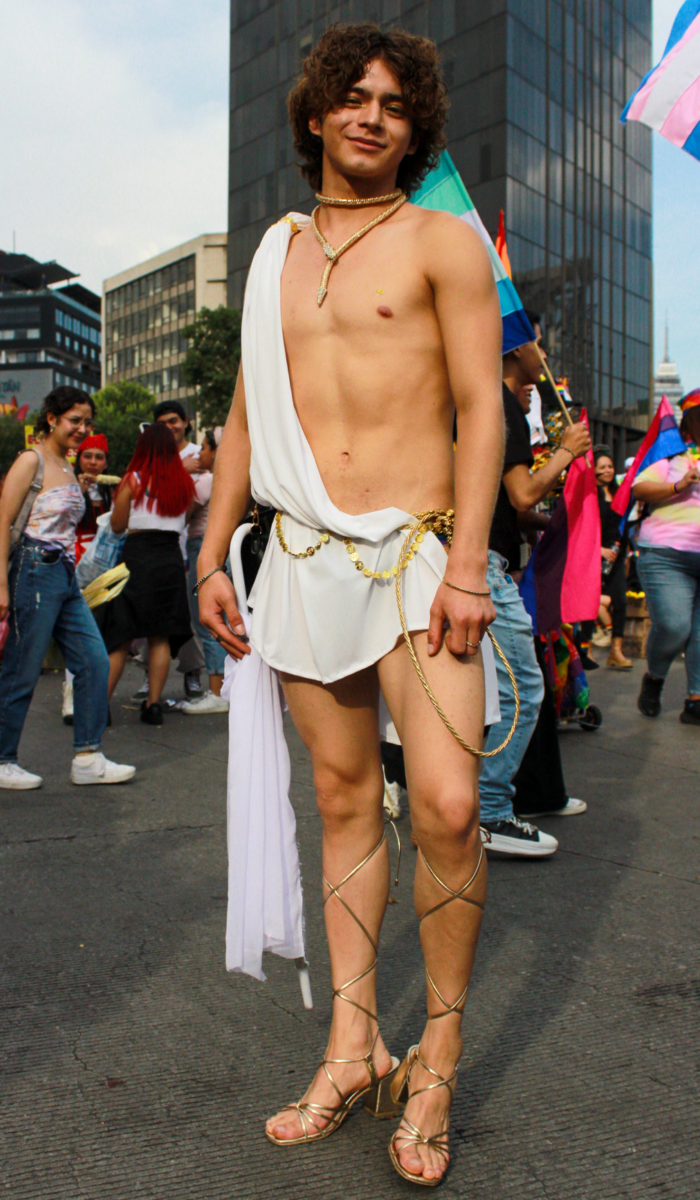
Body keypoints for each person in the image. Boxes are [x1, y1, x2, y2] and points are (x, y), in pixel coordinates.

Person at [198, 24, 504, 1186]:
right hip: (305, 557)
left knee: (445, 802)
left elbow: (483, 409)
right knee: (339, 801)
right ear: (316, 115)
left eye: (393, 104)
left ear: (415, 125)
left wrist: (469, 564)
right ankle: (350, 1041)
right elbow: (244, 408)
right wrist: (217, 550)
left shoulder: (441, 242)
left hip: (423, 557)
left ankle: (436, 1058)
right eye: (352, 98)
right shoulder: (274, 252)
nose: (372, 116)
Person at [479, 317, 591, 855]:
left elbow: (511, 506)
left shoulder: (488, 401)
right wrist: (567, 452)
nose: (541, 358)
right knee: (522, 687)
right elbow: (522, 494)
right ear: (516, 345)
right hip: (483, 568)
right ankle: (492, 809)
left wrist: (551, 523)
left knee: (493, 693)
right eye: (537, 341)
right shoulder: (503, 406)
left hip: (477, 560)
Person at [0, 386, 136, 789]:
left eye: (86, 422)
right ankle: (3, 758)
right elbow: (4, 522)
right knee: (21, 670)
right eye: (74, 420)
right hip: (32, 570)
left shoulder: (67, 464)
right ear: (52, 419)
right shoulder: (32, 460)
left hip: (64, 575)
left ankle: (88, 757)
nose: (81, 428)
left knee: (93, 661)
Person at [99, 423, 195, 726]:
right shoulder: (184, 483)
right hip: (170, 560)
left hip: (138, 558)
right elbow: (183, 520)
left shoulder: (134, 479)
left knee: (120, 635)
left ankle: (99, 707)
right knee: (160, 635)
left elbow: (117, 525)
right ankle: (153, 705)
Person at [634, 389, 700, 724]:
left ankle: (696, 700)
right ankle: (655, 677)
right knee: (675, 626)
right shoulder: (671, 452)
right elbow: (638, 487)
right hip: (666, 553)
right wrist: (680, 484)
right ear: (690, 420)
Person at [62, 432, 117, 725]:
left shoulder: (113, 491)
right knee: (77, 631)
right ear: (78, 458)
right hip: (74, 558)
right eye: (88, 456)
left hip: (103, 560)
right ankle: (71, 694)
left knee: (100, 630)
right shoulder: (67, 484)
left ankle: (93, 694)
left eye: (99, 457)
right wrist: (79, 493)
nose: (94, 463)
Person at [153, 400, 206, 701]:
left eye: (174, 420)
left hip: (190, 546)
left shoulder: (200, 455)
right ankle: (151, 679)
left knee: (190, 616)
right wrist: (178, 468)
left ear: (186, 421)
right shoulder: (154, 457)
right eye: (162, 423)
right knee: (151, 618)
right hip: (155, 547)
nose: (169, 427)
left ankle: (193, 675)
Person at [180, 429, 229, 714]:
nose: (199, 454)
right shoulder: (223, 480)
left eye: (204, 449)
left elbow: (184, 513)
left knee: (207, 620)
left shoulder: (209, 481)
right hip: (215, 547)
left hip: (202, 547)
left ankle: (216, 690)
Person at [587, 447, 632, 670]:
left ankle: (616, 651)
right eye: (602, 467)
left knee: (621, 603)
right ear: (594, 471)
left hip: (616, 557)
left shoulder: (620, 493)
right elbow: (585, 528)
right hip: (593, 556)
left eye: (610, 466)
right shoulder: (590, 495)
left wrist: (623, 554)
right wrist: (599, 550)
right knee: (588, 602)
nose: (607, 470)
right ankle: (586, 649)